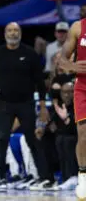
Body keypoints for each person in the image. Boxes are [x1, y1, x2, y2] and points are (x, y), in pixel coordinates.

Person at [0, 22, 51, 188]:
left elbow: (40, 82)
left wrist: (42, 105)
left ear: (20, 33)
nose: (13, 33)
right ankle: (2, 178)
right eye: (10, 30)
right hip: (4, 103)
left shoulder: (30, 53)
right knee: (2, 138)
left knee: (32, 139)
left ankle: (45, 177)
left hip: (26, 103)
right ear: (5, 33)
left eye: (16, 30)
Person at [59, 18, 86, 200]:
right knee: (83, 132)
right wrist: (71, 66)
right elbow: (61, 59)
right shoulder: (78, 27)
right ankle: (83, 176)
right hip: (83, 86)